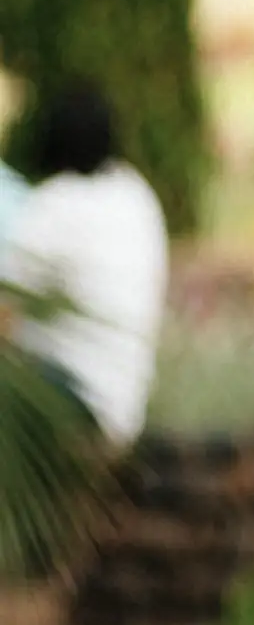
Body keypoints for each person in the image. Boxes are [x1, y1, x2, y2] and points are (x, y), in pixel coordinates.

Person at [0, 78, 170, 449]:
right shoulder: (135, 194)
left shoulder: (54, 205)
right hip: (122, 406)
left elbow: (5, 313)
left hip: (67, 400)